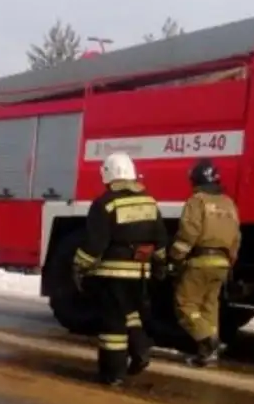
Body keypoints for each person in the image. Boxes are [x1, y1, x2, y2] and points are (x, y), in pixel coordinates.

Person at [72, 152, 167, 386]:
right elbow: (161, 239)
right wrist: (160, 264)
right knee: (130, 313)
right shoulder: (149, 202)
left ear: (109, 175)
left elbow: (95, 244)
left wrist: (79, 266)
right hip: (140, 273)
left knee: (112, 325)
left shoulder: (105, 203)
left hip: (112, 273)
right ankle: (140, 347)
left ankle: (113, 374)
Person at [170, 158, 241, 367]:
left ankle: (208, 341)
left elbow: (188, 234)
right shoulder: (228, 203)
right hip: (222, 263)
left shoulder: (197, 201)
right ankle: (208, 354)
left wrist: (174, 258)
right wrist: (230, 261)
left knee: (185, 304)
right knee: (209, 307)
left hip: (200, 261)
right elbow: (236, 237)